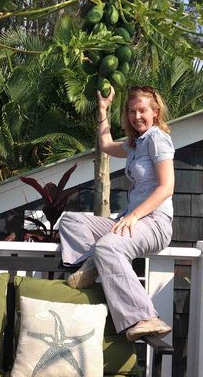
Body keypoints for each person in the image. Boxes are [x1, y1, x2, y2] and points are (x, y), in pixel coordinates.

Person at [59, 85, 175, 341]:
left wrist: (134, 216)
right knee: (71, 221)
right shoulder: (136, 144)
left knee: (108, 248)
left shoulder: (158, 138)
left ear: (155, 112)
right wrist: (103, 109)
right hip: (129, 222)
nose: (137, 116)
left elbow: (167, 187)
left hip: (154, 222)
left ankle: (144, 317)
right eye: (132, 111)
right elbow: (106, 144)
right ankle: (93, 265)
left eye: (142, 110)